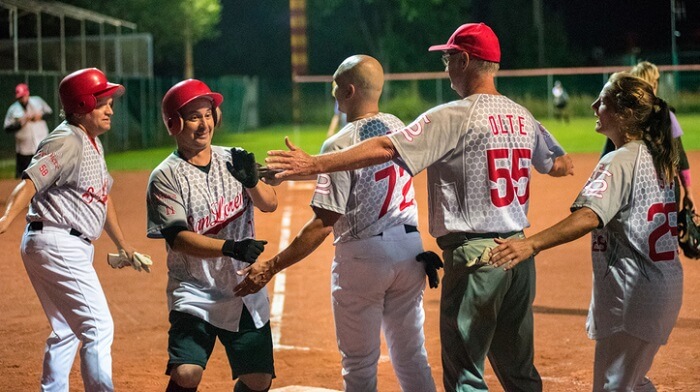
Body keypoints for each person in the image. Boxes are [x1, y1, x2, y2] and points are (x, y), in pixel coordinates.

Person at [265, 22, 574, 392]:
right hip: (518, 253)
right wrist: (563, 165)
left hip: (476, 256)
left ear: (464, 60)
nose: (445, 66)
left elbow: (385, 148)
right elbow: (557, 164)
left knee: (465, 376)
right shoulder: (523, 116)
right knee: (518, 371)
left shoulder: (452, 116)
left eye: (447, 58)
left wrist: (314, 164)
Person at [235, 55, 438, 392]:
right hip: (409, 251)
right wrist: (288, 172)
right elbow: (364, 168)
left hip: (364, 257)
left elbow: (323, 224)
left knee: (359, 366)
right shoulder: (399, 127)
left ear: (349, 90)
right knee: (412, 355)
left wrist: (271, 266)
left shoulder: (339, 143)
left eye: (335, 86)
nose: (332, 93)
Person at [489, 72, 683, 392]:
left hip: (634, 295)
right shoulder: (657, 156)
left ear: (624, 114)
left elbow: (590, 216)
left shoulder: (620, 160)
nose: (594, 106)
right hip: (662, 287)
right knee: (633, 381)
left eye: (603, 101)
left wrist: (532, 244)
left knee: (612, 386)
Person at [0, 67, 150, 391]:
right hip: (57, 241)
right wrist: (5, 219)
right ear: (82, 104)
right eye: (102, 102)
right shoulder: (67, 140)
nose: (110, 109)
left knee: (68, 328)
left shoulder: (91, 142)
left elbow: (103, 198)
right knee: (98, 327)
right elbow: (30, 182)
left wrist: (124, 246)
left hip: (55, 242)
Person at [146, 79, 278, 392]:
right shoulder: (165, 176)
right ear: (174, 123)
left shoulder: (233, 157)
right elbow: (179, 238)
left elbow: (270, 204)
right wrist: (231, 247)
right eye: (194, 117)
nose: (204, 123)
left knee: (259, 381)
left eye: (208, 114)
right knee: (187, 372)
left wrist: (251, 182)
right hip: (194, 290)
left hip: (242, 287)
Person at [602, 61, 696, 211]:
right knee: (666, 232)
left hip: (634, 189)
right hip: (666, 189)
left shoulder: (624, 116)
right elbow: (680, 156)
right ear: (652, 85)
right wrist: (689, 192)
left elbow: (607, 156)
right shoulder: (665, 114)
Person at [3, 83, 53, 178]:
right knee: (22, 176)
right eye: (20, 97)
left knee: (44, 175)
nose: (22, 99)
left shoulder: (37, 101)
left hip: (41, 144)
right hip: (24, 149)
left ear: (27, 94)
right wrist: (20, 123)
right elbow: (7, 128)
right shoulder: (13, 109)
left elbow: (50, 113)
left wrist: (41, 116)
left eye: (23, 96)